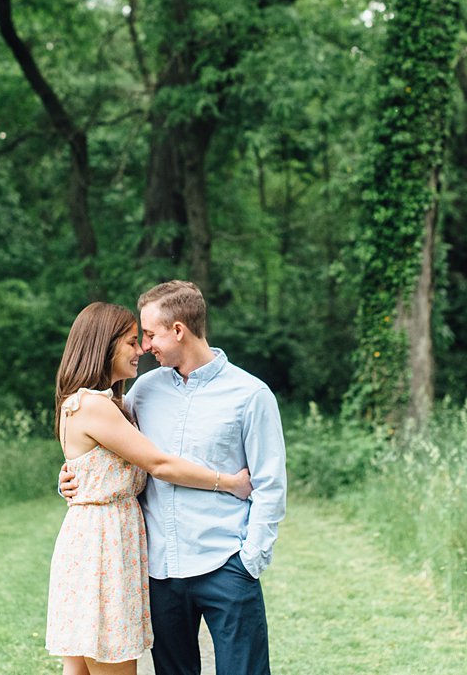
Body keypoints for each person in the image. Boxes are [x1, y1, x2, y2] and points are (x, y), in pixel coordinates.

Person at [62, 281, 287, 675]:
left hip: (226, 564)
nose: (145, 346)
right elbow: (104, 451)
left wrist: (251, 558)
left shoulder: (251, 395)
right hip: (159, 570)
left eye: (149, 335)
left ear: (178, 330)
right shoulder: (143, 392)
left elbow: (270, 484)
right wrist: (70, 478)